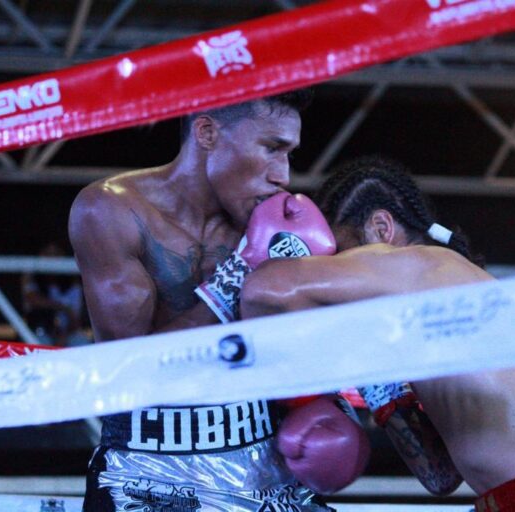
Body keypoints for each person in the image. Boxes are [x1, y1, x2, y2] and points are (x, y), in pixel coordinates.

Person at [240, 155, 515, 511]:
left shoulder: (418, 264)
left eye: (343, 256)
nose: (340, 279)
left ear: (381, 228)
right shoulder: (449, 303)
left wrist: (274, 252)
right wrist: (376, 379)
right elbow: (441, 477)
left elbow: (265, 289)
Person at [69, 90, 368, 512]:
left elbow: (305, 353)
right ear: (207, 132)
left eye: (289, 154)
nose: (282, 174)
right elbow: (133, 369)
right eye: (271, 148)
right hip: (149, 470)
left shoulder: (281, 225)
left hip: (261, 464)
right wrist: (243, 271)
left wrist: (327, 410)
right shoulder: (114, 210)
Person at [22, 241, 89, 347]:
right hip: (40, 331)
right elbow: (32, 298)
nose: (51, 259)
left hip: (67, 333)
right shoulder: (32, 280)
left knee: (81, 342)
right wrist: (63, 308)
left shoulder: (73, 284)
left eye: (56, 254)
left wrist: (63, 336)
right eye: (47, 254)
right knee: (40, 343)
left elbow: (76, 320)